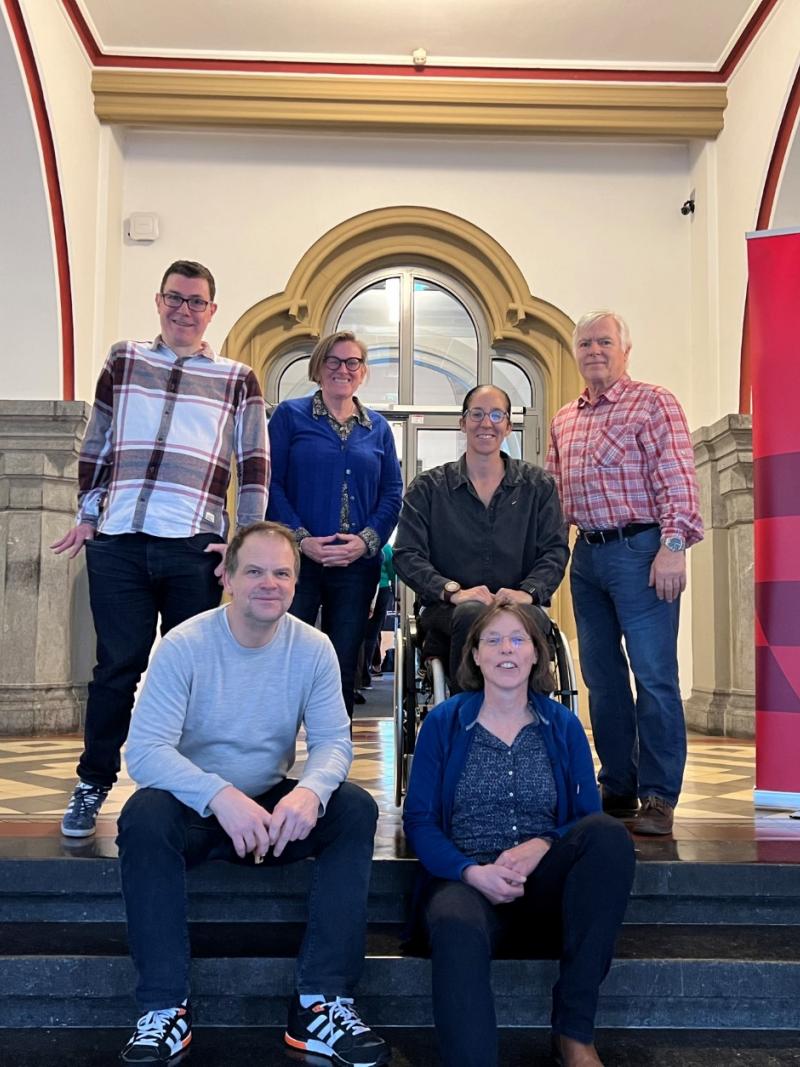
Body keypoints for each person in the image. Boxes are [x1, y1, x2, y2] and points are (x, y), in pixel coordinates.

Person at [116, 521, 389, 1067]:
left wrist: (309, 791)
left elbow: (335, 742)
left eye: (282, 573)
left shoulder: (312, 648)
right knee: (142, 815)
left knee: (355, 808)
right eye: (256, 571)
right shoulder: (184, 645)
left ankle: (320, 1002)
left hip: (273, 811)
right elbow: (143, 752)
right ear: (229, 579)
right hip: (199, 812)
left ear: (295, 582)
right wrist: (218, 795)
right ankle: (164, 1009)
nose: (270, 583)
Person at [51, 260, 269, 838]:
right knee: (115, 668)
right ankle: (92, 782)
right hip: (120, 539)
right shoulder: (125, 360)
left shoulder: (237, 378)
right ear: (159, 300)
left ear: (212, 311)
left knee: (192, 672)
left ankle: (193, 792)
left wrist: (241, 543)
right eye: (175, 298)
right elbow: (96, 439)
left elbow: (253, 464)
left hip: (195, 544)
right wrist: (89, 512)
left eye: (197, 301)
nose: (185, 310)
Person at [403, 603, 634, 1067]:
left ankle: (574, 1034)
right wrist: (471, 872)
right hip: (465, 882)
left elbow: (586, 814)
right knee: (453, 923)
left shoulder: (562, 725)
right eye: (492, 640)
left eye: (517, 639)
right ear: (474, 656)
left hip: (543, 884)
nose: (505, 649)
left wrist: (544, 843)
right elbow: (420, 822)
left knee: (607, 835)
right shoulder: (444, 723)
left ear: (536, 655)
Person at [547, 310, 703, 836]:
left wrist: (673, 546)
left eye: (604, 342)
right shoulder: (564, 418)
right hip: (586, 558)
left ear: (625, 350)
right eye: (586, 343)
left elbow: (677, 477)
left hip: (643, 552)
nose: (594, 350)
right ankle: (617, 783)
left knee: (654, 676)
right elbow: (553, 496)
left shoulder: (654, 402)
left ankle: (658, 796)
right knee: (602, 679)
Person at [393, 384, 569, 688]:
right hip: (448, 609)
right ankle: (469, 715)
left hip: (521, 605)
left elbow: (554, 551)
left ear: (508, 427)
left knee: (517, 620)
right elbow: (407, 554)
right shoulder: (428, 488)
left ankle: (531, 718)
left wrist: (527, 592)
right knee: (472, 612)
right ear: (463, 423)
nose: (486, 423)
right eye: (476, 414)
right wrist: (453, 591)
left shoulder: (538, 487)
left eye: (496, 414)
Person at [266, 331, 402, 717]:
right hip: (297, 564)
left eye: (352, 362)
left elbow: (393, 492)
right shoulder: (290, 417)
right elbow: (270, 483)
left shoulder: (378, 429)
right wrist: (301, 539)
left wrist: (366, 541)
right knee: (287, 657)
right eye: (334, 361)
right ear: (319, 367)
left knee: (342, 664)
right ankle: (275, 760)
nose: (343, 369)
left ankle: (332, 761)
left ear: (362, 372)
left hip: (356, 567)